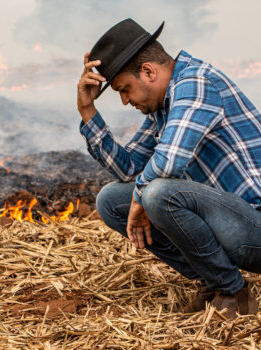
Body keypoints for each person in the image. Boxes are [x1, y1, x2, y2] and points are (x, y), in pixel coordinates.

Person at [77, 18, 261, 319]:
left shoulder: (196, 82)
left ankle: (233, 293)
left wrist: (142, 197)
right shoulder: (162, 108)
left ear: (149, 71)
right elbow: (130, 170)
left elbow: (168, 162)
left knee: (158, 192)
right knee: (111, 201)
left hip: (256, 223)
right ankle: (213, 278)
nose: (124, 101)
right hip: (233, 221)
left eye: (125, 89)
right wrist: (87, 111)